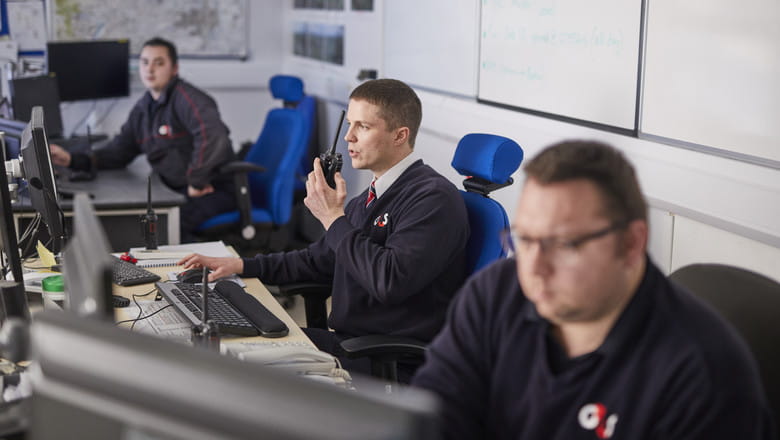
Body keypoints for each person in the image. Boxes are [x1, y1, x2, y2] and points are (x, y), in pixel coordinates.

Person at [411, 140, 776, 439]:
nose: (534, 268)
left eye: (563, 244)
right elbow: (430, 419)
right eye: (526, 238)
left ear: (631, 244)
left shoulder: (705, 374)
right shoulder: (495, 294)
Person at [179, 79, 470, 380]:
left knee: (232, 372)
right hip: (349, 345)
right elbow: (317, 260)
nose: (348, 137)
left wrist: (333, 218)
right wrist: (240, 265)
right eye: (350, 124)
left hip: (385, 359)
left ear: (400, 136)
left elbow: (389, 280)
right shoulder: (374, 195)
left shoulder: (433, 199)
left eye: (363, 127)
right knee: (223, 346)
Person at [49, 37, 236, 243]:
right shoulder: (144, 109)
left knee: (163, 228)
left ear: (174, 68)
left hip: (211, 190)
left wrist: (197, 180)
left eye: (159, 63)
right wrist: (72, 159)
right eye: (145, 62)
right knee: (141, 222)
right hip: (172, 190)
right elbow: (119, 151)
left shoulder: (188, 99)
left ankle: (201, 271)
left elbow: (213, 137)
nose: (150, 69)